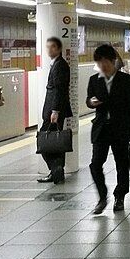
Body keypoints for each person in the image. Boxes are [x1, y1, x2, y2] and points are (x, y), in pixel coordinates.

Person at [87, 44, 130, 214]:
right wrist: (91, 102)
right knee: (95, 164)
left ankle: (120, 196)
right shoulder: (94, 80)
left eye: (105, 62)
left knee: (122, 164)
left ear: (113, 61)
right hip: (101, 128)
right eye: (99, 62)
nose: (102, 66)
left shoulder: (126, 80)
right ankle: (103, 196)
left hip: (121, 128)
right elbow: (88, 99)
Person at [38, 37, 73, 184]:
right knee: (55, 141)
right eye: (48, 47)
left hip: (55, 110)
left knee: (44, 140)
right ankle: (57, 171)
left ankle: (56, 168)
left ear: (58, 49)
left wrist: (55, 111)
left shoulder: (59, 65)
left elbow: (59, 90)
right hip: (55, 109)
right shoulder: (57, 64)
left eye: (52, 47)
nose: (49, 50)